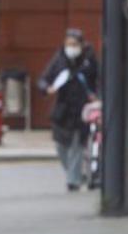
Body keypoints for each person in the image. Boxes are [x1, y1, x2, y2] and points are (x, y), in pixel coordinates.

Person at [39, 29, 99, 191]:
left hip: (82, 109)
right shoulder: (59, 60)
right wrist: (46, 88)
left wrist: (96, 95)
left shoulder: (89, 61)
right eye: (68, 44)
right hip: (63, 110)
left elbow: (99, 80)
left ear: (81, 45)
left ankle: (73, 182)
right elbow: (44, 79)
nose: (71, 47)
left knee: (76, 146)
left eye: (74, 44)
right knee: (61, 146)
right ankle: (76, 174)